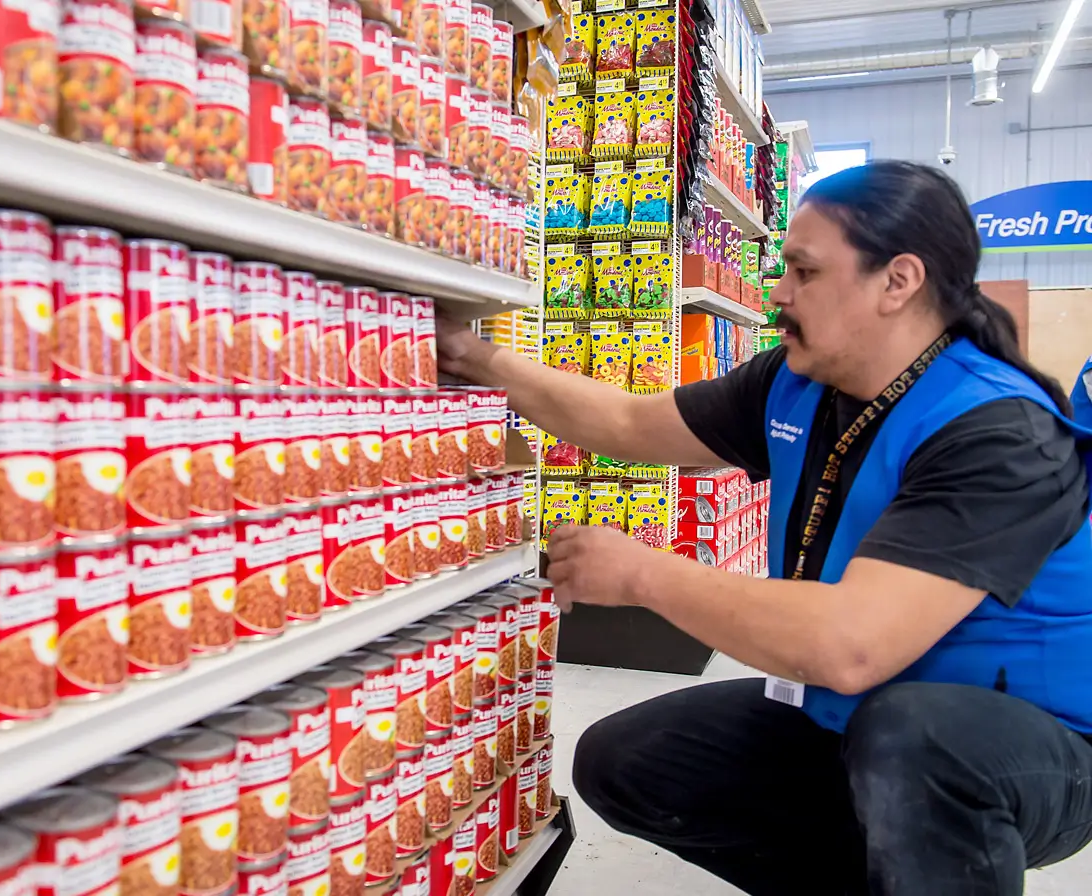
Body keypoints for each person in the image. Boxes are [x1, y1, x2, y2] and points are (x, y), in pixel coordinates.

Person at [436, 160, 1092, 895]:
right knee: (628, 761)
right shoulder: (798, 382)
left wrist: (644, 574)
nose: (778, 292)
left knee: (917, 740)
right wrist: (474, 355)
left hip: (1030, 740)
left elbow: (849, 647)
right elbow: (627, 422)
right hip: (863, 715)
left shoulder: (997, 431)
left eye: (804, 272)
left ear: (897, 281)